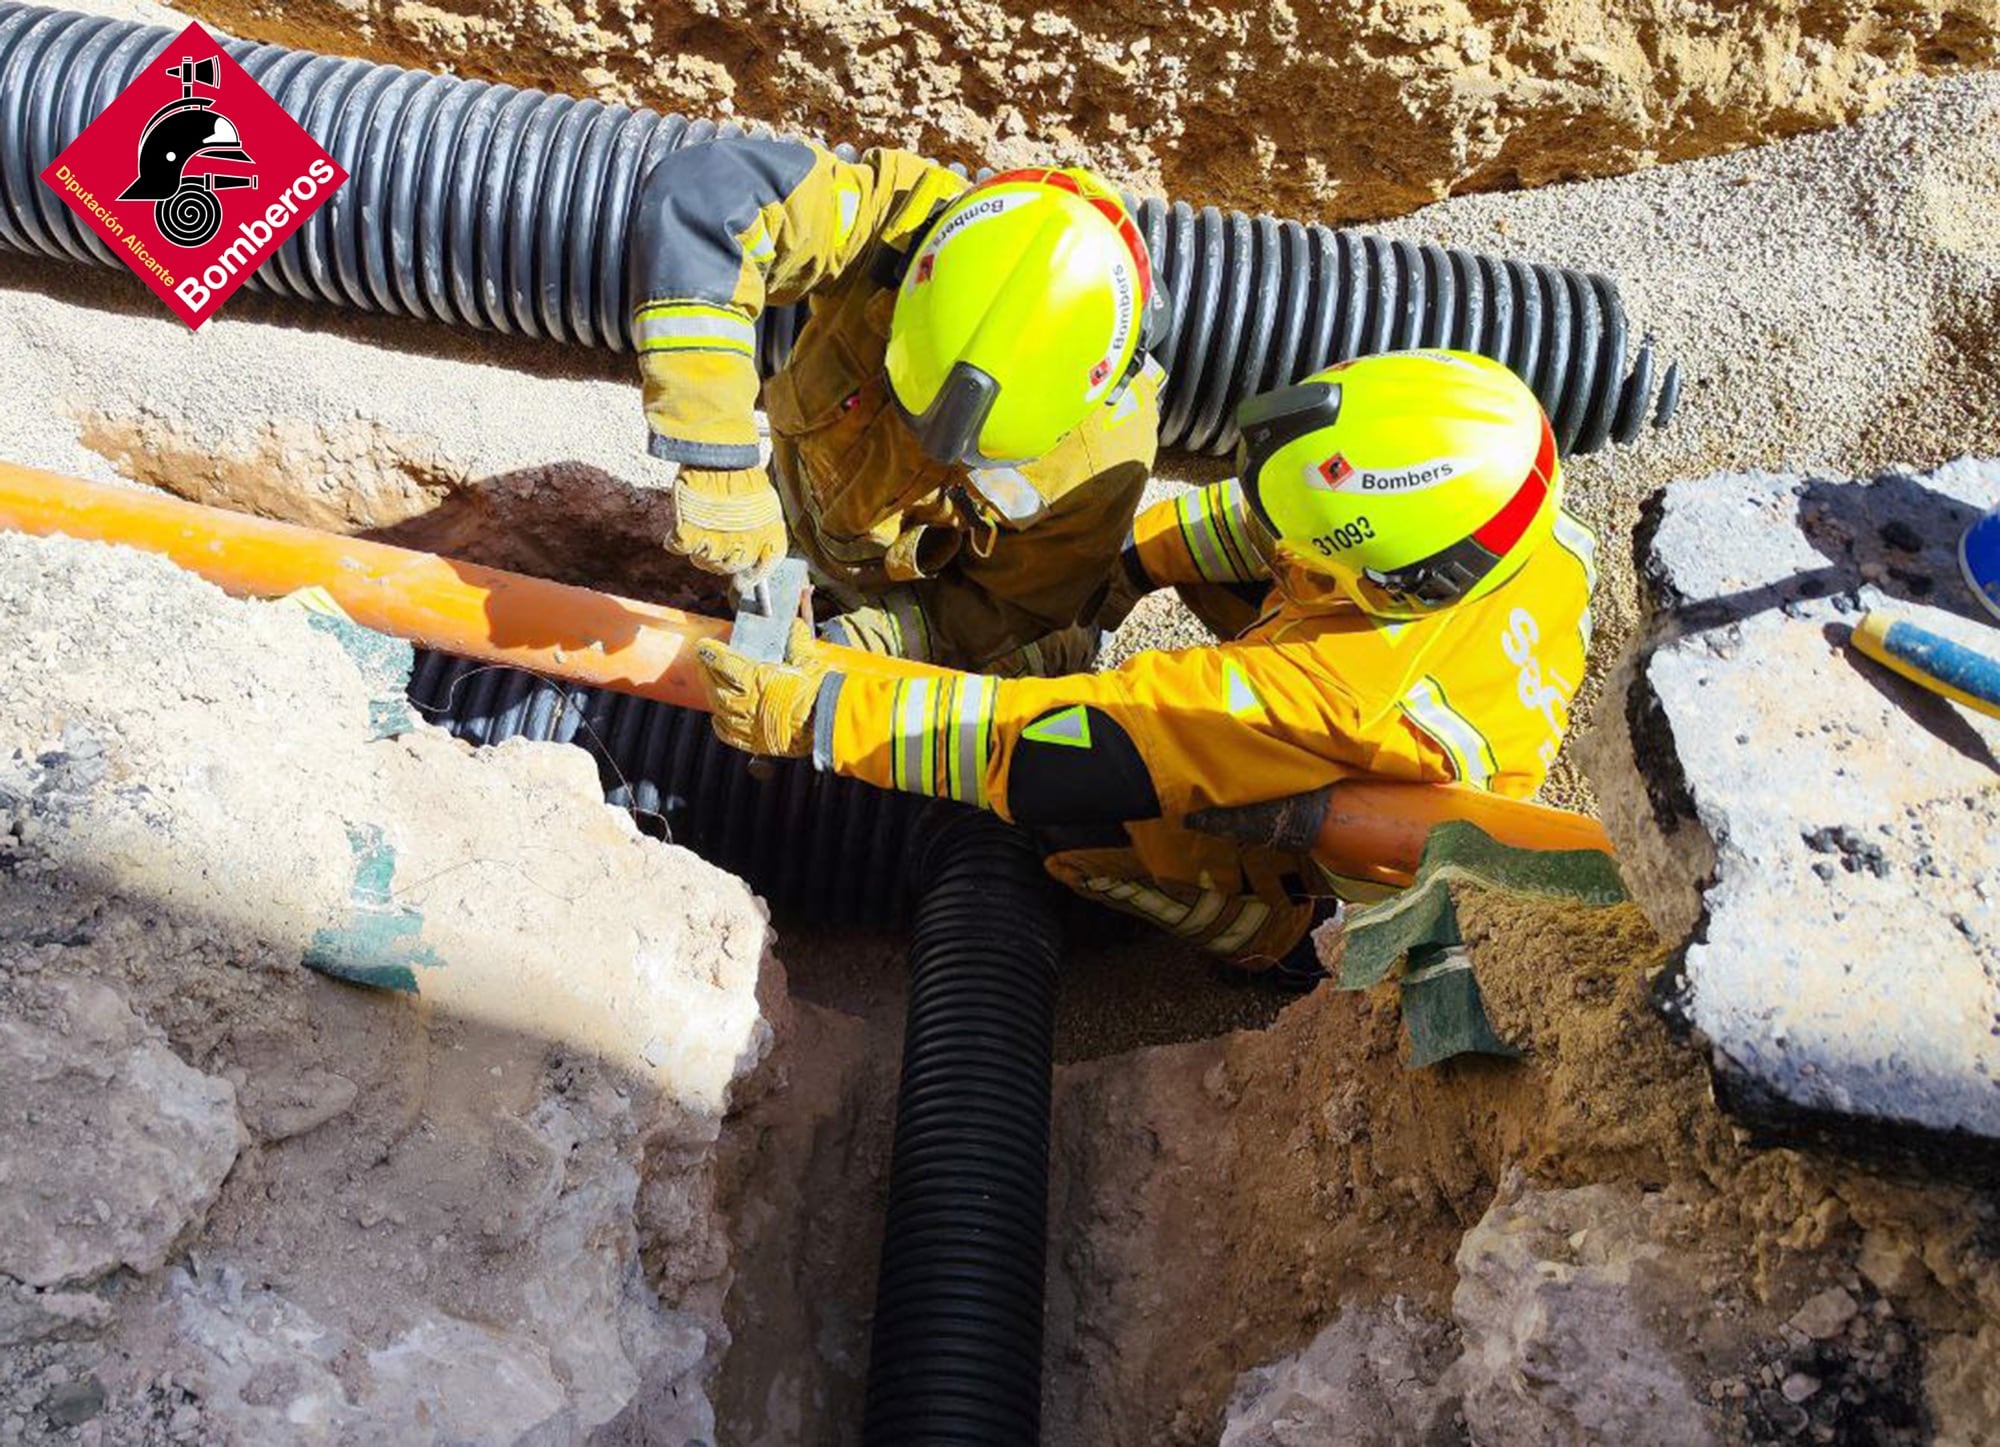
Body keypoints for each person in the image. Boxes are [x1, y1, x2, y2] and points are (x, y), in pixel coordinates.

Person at [691, 350, 1599, 978]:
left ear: (1395, 587)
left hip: (1345, 875)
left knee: (1083, 834)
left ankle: (1271, 948)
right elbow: (1254, 525)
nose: (1282, 553)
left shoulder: (1320, 697)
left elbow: (1041, 748)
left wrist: (825, 712)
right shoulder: (1501, 488)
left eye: (1310, 559)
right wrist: (1115, 577)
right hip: (1381, 704)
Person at [628, 137, 1169, 675]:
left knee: (1018, 674)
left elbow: (1012, 610)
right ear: (917, 276)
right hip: (798, 526)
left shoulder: (1102, 459)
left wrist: (856, 644)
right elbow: (709, 196)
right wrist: (717, 457)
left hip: (930, 607)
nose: (927, 442)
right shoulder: (897, 222)